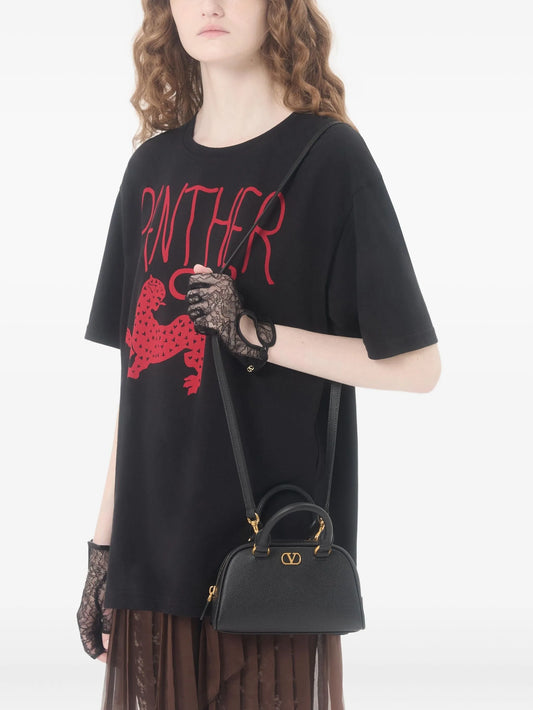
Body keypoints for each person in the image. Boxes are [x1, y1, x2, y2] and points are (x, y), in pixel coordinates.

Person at [76, 1, 441, 708]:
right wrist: (102, 551)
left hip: (270, 553)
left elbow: (417, 367)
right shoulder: (149, 170)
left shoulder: (329, 157)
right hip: (152, 558)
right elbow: (138, 384)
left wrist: (258, 335)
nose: (210, 6)